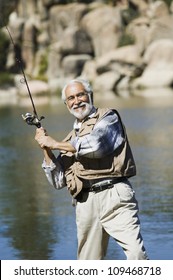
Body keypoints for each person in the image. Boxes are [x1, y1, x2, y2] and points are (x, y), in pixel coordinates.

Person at [35, 78, 148, 260]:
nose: (77, 101)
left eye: (80, 95)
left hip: (115, 196)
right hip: (84, 203)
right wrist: (46, 148)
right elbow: (58, 181)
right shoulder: (70, 138)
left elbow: (96, 145)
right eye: (71, 98)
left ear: (90, 96)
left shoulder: (108, 118)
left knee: (137, 255)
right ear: (66, 105)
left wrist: (55, 143)